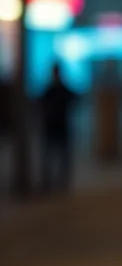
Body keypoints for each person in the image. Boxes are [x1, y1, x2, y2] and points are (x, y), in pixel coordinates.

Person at [38, 63, 78, 194]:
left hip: (58, 126)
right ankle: (52, 181)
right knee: (53, 156)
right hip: (54, 127)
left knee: (59, 156)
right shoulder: (53, 90)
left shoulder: (54, 90)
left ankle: (58, 182)